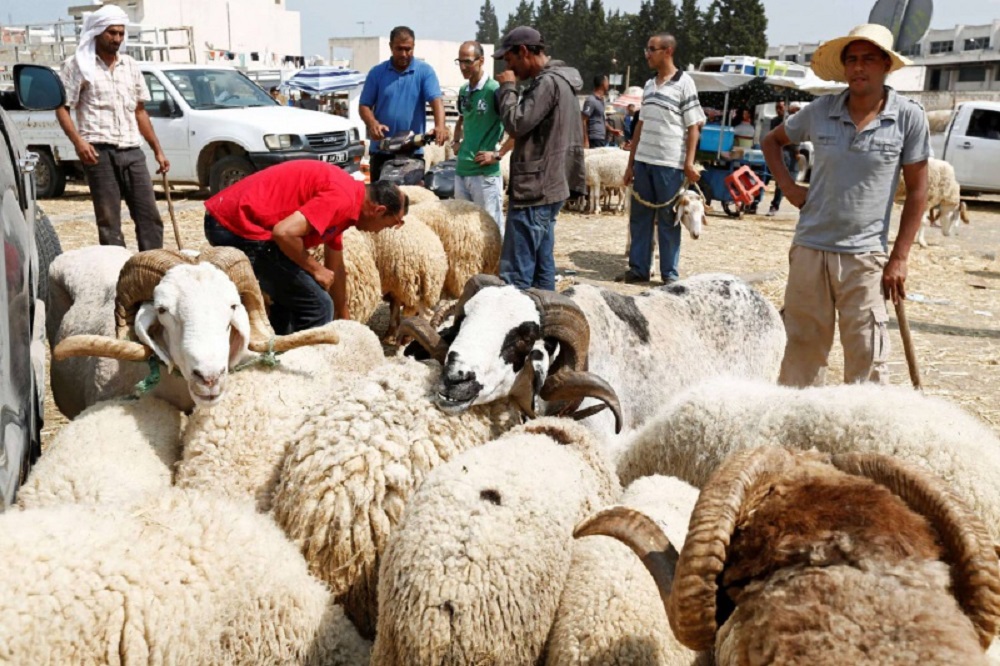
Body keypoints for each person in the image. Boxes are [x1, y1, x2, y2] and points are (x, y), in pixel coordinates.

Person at [762, 23, 929, 387]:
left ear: (886, 65)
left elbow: (919, 191)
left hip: (865, 257)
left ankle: (863, 424)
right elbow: (771, 141)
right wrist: (789, 188)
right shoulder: (820, 110)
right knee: (801, 354)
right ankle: (801, 422)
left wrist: (899, 258)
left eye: (868, 59)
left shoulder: (908, 116)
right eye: (851, 59)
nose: (858, 67)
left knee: (867, 358)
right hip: (811, 250)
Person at [204, 161, 408, 334]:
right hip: (235, 225)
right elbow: (284, 233)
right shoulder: (342, 198)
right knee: (318, 305)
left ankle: (279, 355)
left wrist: (343, 313)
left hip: (242, 224)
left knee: (293, 299)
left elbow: (335, 267)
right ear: (378, 210)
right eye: (387, 225)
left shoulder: (350, 201)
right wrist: (315, 269)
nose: (379, 232)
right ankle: (308, 363)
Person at [55, 4, 168, 251]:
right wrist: (79, 142)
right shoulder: (78, 65)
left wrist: (157, 150)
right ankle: (116, 271)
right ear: (97, 32)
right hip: (98, 152)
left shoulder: (130, 65)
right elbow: (62, 108)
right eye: (112, 33)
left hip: (132, 149)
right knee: (109, 221)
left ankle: (151, 267)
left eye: (121, 33)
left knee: (149, 218)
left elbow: (140, 111)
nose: (117, 38)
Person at [494, 26, 584, 291]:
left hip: (535, 189)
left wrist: (508, 88)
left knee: (516, 274)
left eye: (510, 60)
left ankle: (517, 314)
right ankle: (546, 312)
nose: (509, 68)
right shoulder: (563, 81)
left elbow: (516, 124)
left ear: (524, 51)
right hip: (551, 184)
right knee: (542, 267)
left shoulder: (547, 83)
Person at [616, 33, 705, 286]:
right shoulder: (648, 85)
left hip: (669, 164)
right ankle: (638, 269)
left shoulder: (685, 84)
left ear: (668, 51)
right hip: (644, 162)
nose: (647, 54)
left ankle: (669, 274)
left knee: (668, 218)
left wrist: (688, 163)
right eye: (647, 49)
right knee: (639, 218)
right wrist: (631, 164)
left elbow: (693, 127)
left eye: (651, 49)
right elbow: (640, 126)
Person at [359, 26, 448, 181]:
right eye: (399, 49)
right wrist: (373, 124)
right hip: (381, 152)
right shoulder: (376, 73)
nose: (404, 54)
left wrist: (440, 126)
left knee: (411, 196)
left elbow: (436, 100)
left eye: (408, 49)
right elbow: (364, 105)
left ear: (414, 47)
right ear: (390, 47)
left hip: (412, 152)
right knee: (381, 196)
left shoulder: (425, 72)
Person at [451, 40, 513, 237]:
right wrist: (456, 141)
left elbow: (517, 127)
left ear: (481, 61)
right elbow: (462, 117)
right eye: (460, 61)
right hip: (462, 170)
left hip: (484, 174)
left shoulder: (495, 90)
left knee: (491, 229)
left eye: (468, 62)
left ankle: (499, 259)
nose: (463, 67)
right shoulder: (463, 91)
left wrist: (498, 154)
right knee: (464, 231)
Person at [765, 100, 801, 216]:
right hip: (782, 152)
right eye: (777, 107)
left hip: (790, 153)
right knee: (772, 178)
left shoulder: (792, 120)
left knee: (788, 180)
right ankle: (757, 203)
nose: (778, 110)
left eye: (780, 107)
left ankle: (775, 205)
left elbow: (795, 137)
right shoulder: (776, 121)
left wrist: (796, 150)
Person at [581, 75, 623, 149]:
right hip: (594, 138)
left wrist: (612, 130)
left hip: (601, 138)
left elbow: (602, 119)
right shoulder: (591, 100)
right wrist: (586, 140)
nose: (608, 84)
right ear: (603, 83)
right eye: (607, 82)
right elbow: (583, 120)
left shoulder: (601, 101)